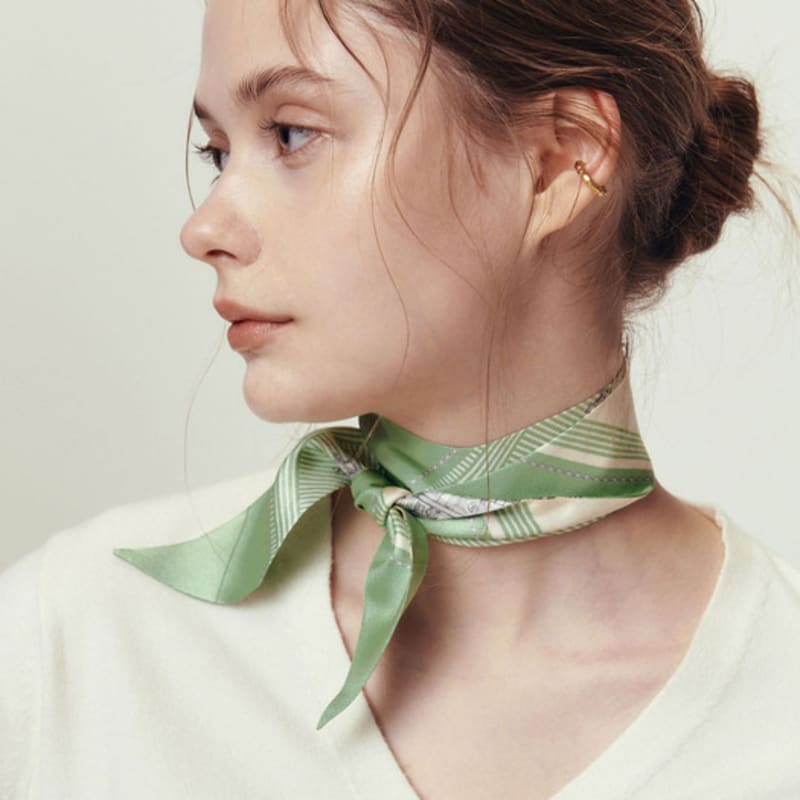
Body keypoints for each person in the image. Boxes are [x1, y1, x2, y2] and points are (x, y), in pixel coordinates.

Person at [1, 0, 799, 798]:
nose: (203, 229)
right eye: (217, 152)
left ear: (559, 162)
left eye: (291, 133)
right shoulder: (71, 641)